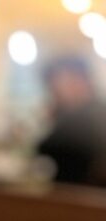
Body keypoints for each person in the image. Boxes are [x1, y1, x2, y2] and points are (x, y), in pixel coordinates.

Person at [37, 56, 106, 187]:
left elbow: (45, 148)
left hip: (83, 198)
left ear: (79, 79)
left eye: (56, 81)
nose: (54, 90)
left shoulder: (90, 114)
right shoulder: (91, 111)